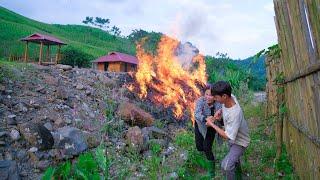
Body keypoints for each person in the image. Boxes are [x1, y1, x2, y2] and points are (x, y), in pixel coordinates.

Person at [206, 81, 250, 180]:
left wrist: (212, 124)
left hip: (239, 142)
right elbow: (225, 107)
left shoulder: (235, 113)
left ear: (224, 96)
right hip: (233, 137)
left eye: (216, 97)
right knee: (235, 161)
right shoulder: (231, 97)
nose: (214, 99)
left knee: (226, 166)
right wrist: (220, 111)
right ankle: (238, 177)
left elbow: (227, 136)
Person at [194, 83, 222, 163]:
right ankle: (204, 159)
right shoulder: (200, 101)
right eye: (207, 94)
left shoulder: (218, 103)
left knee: (207, 147)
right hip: (200, 124)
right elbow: (197, 113)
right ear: (204, 94)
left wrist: (212, 119)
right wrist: (206, 119)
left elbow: (219, 115)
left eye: (211, 95)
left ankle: (211, 166)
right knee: (199, 146)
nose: (208, 97)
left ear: (215, 96)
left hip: (212, 126)